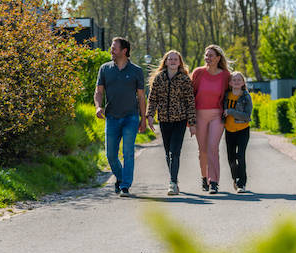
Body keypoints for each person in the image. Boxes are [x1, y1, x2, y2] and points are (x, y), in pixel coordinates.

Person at [94, 37, 146, 197]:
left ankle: (125, 186)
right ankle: (121, 178)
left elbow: (141, 97)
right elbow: (98, 91)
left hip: (130, 117)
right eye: (111, 47)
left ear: (124, 51)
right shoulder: (105, 69)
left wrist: (143, 118)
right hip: (111, 117)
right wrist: (98, 106)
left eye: (114, 48)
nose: (111, 50)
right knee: (110, 154)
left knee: (128, 152)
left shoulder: (136, 71)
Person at [146, 50, 197, 195]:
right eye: (170, 59)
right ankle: (173, 179)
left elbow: (190, 102)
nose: (173, 61)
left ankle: (172, 183)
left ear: (180, 62)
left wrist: (192, 123)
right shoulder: (159, 78)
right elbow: (152, 98)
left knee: (174, 151)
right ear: (166, 61)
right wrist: (149, 115)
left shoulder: (184, 79)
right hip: (164, 120)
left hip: (180, 120)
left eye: (176, 59)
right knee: (167, 152)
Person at [191, 45, 231, 194]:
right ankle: (204, 177)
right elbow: (190, 97)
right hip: (199, 114)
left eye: (211, 55)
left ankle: (213, 182)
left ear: (218, 58)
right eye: (206, 55)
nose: (208, 58)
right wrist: (191, 122)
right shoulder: (198, 73)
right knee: (203, 151)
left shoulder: (226, 75)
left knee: (213, 148)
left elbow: (231, 94)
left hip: (217, 115)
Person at [223, 71, 253, 193]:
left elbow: (246, 116)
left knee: (240, 156)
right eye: (234, 80)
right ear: (230, 83)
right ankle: (235, 178)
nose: (236, 82)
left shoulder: (246, 96)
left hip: (242, 130)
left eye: (239, 80)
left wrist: (230, 111)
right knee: (231, 158)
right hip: (229, 131)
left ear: (243, 83)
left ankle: (242, 183)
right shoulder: (226, 95)